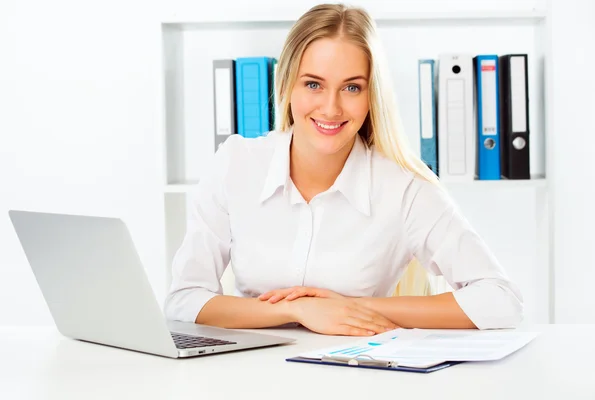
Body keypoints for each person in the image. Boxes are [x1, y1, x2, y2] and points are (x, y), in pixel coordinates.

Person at [163, 3, 524, 336]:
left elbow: (500, 300)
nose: (331, 107)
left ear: (372, 96)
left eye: (352, 87)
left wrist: (353, 308)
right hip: (249, 374)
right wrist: (301, 311)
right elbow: (184, 300)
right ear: (288, 85)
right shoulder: (236, 163)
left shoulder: (403, 187)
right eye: (313, 84)